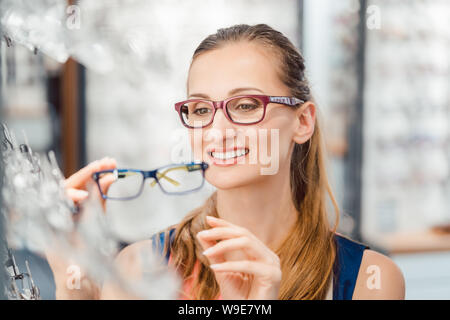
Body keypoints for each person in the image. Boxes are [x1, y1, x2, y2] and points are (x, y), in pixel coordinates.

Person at [50, 24, 405, 300]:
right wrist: (72, 278)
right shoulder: (139, 267)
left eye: (246, 106)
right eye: (201, 109)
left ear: (303, 122)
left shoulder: (368, 280)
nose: (217, 131)